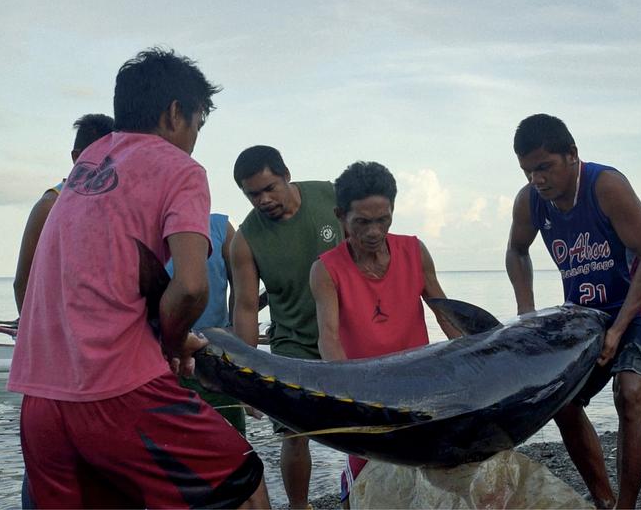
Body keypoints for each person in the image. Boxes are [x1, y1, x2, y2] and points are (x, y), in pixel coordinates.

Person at [8, 47, 269, 509]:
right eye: (197, 126)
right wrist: (172, 343)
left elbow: (92, 284)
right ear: (174, 114)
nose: (193, 141)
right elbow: (190, 286)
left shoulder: (88, 162)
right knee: (241, 481)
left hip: (39, 401)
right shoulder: (180, 168)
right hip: (119, 394)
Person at [506, 113, 641, 510]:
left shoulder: (606, 186)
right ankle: (603, 499)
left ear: (571, 155)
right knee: (559, 399)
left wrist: (619, 330)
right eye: (529, 171)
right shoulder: (530, 201)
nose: (537, 179)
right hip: (586, 311)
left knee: (630, 392)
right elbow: (516, 250)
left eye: (544, 167)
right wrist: (526, 314)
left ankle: (626, 507)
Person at [310, 160, 459, 507]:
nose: (374, 232)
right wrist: (347, 393)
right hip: (367, 395)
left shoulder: (414, 250)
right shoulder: (326, 269)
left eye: (383, 219)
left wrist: (478, 357)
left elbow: (445, 312)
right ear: (341, 215)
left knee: (431, 478)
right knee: (363, 483)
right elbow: (328, 337)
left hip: (421, 388)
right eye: (362, 222)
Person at [230, 145, 343, 509]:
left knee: (373, 425)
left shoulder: (329, 194)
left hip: (348, 332)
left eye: (269, 188)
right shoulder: (245, 239)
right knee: (294, 435)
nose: (263, 200)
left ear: (286, 175)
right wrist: (246, 378)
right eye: (253, 194)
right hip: (293, 342)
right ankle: (299, 506)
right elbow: (246, 308)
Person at [12, 113, 114, 313]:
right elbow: (22, 284)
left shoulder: (115, 207)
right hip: (55, 333)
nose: (109, 168)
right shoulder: (49, 206)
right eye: (101, 160)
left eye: (115, 159)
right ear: (77, 157)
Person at [169, 212, 251, 432]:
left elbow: (241, 283)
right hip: (163, 355)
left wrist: (234, 330)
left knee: (231, 435)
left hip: (214, 352)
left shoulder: (220, 227)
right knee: (174, 436)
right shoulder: (144, 231)